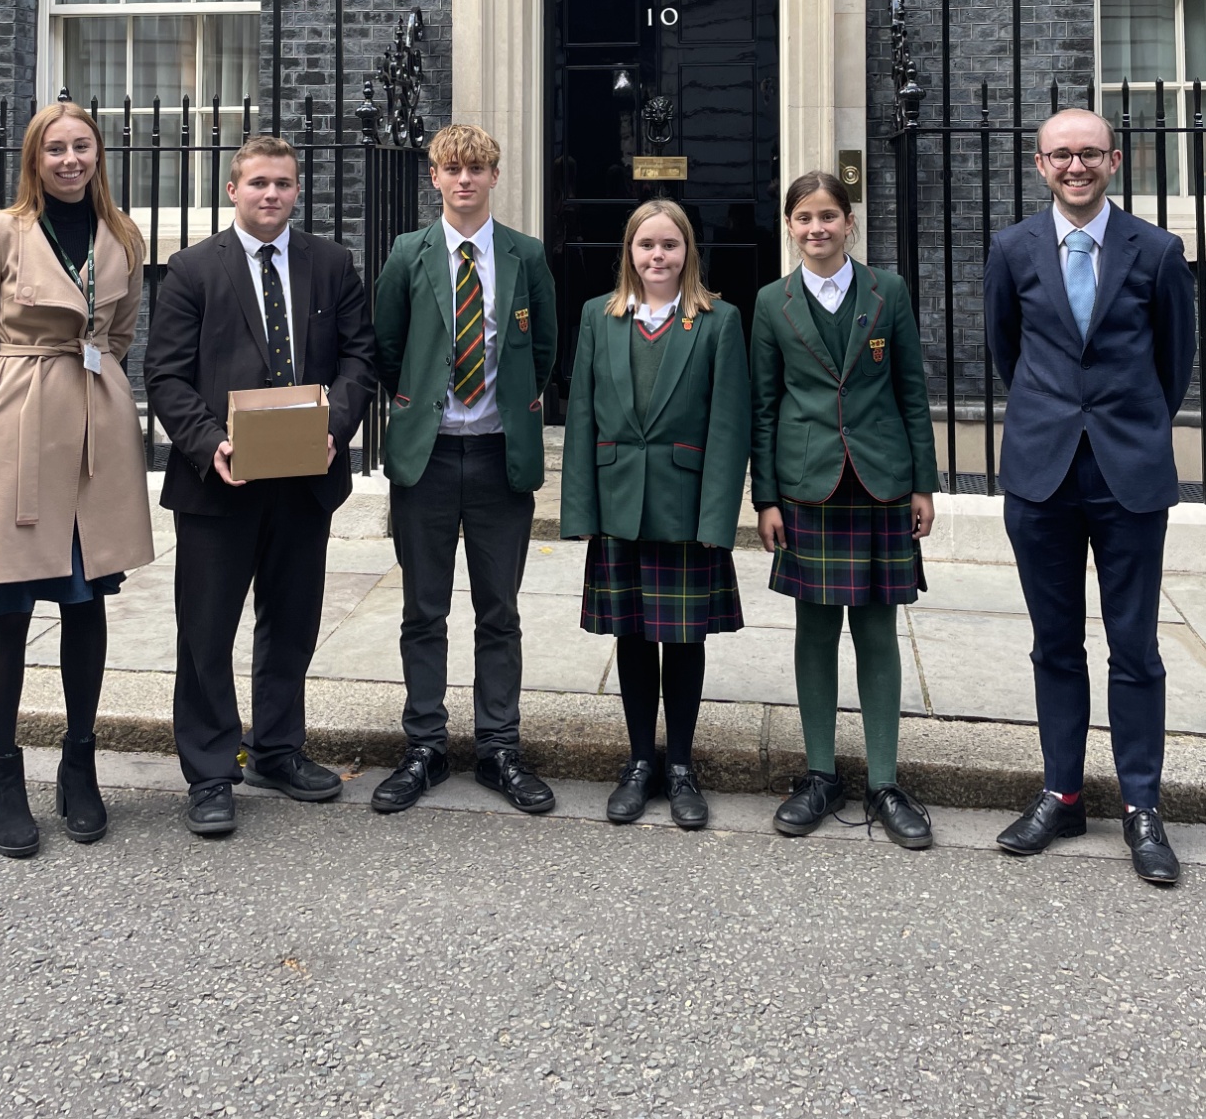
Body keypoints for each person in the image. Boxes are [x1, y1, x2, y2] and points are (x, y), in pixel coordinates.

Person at [144, 135, 377, 839]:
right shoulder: (191, 270)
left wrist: (336, 425)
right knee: (207, 632)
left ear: (296, 190)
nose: (271, 194)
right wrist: (210, 441)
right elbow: (166, 376)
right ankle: (212, 772)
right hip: (221, 484)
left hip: (305, 479)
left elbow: (359, 355)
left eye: (282, 183)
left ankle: (278, 749)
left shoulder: (331, 264)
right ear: (232, 191)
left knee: (292, 623)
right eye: (258, 184)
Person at [985, 108, 1196, 885]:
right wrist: (1058, 419)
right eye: (1060, 155)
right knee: (1054, 642)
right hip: (1041, 472)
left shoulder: (1158, 250)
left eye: (1089, 154)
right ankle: (1062, 793)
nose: (1075, 167)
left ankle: (1143, 807)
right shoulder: (1012, 249)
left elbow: (1174, 364)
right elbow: (1008, 349)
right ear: (1039, 165)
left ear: (1115, 159)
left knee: (1134, 649)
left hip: (1128, 475)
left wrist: (1127, 429)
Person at [0, 101, 153, 859]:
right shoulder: (2, 231)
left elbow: (121, 330)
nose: (70, 159)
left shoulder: (122, 235)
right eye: (55, 149)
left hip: (96, 425)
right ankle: (5, 773)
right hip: (22, 424)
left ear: (99, 154)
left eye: (82, 147)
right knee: (4, 605)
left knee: (85, 596)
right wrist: (5, 403)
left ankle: (79, 763)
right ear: (34, 160)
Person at [371, 124, 558, 815]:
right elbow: (387, 344)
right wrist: (417, 403)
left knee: (498, 610)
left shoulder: (525, 255)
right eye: (452, 168)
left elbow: (544, 349)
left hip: (496, 456)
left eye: (477, 168)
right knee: (423, 610)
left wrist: (511, 400)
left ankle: (498, 747)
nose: (464, 180)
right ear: (434, 177)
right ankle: (423, 745)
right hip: (426, 456)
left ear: (494, 176)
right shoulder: (408, 254)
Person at [751, 171, 938, 848]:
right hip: (808, 484)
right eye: (804, 217)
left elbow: (912, 388)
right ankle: (820, 774)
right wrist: (764, 497)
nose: (817, 228)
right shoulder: (773, 302)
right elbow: (764, 405)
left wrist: (924, 483)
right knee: (814, 632)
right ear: (790, 226)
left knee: (878, 631)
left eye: (828, 215)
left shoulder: (887, 291)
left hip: (882, 481)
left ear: (849, 223)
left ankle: (885, 781)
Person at [560, 200, 750, 830]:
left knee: (684, 638)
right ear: (629, 253)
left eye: (669, 245)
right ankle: (641, 761)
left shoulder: (718, 321)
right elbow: (581, 417)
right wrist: (581, 509)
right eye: (646, 246)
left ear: (687, 252)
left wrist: (718, 518)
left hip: (685, 504)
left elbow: (729, 427)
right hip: (619, 504)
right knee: (633, 637)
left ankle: (681, 766)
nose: (657, 257)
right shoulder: (598, 316)